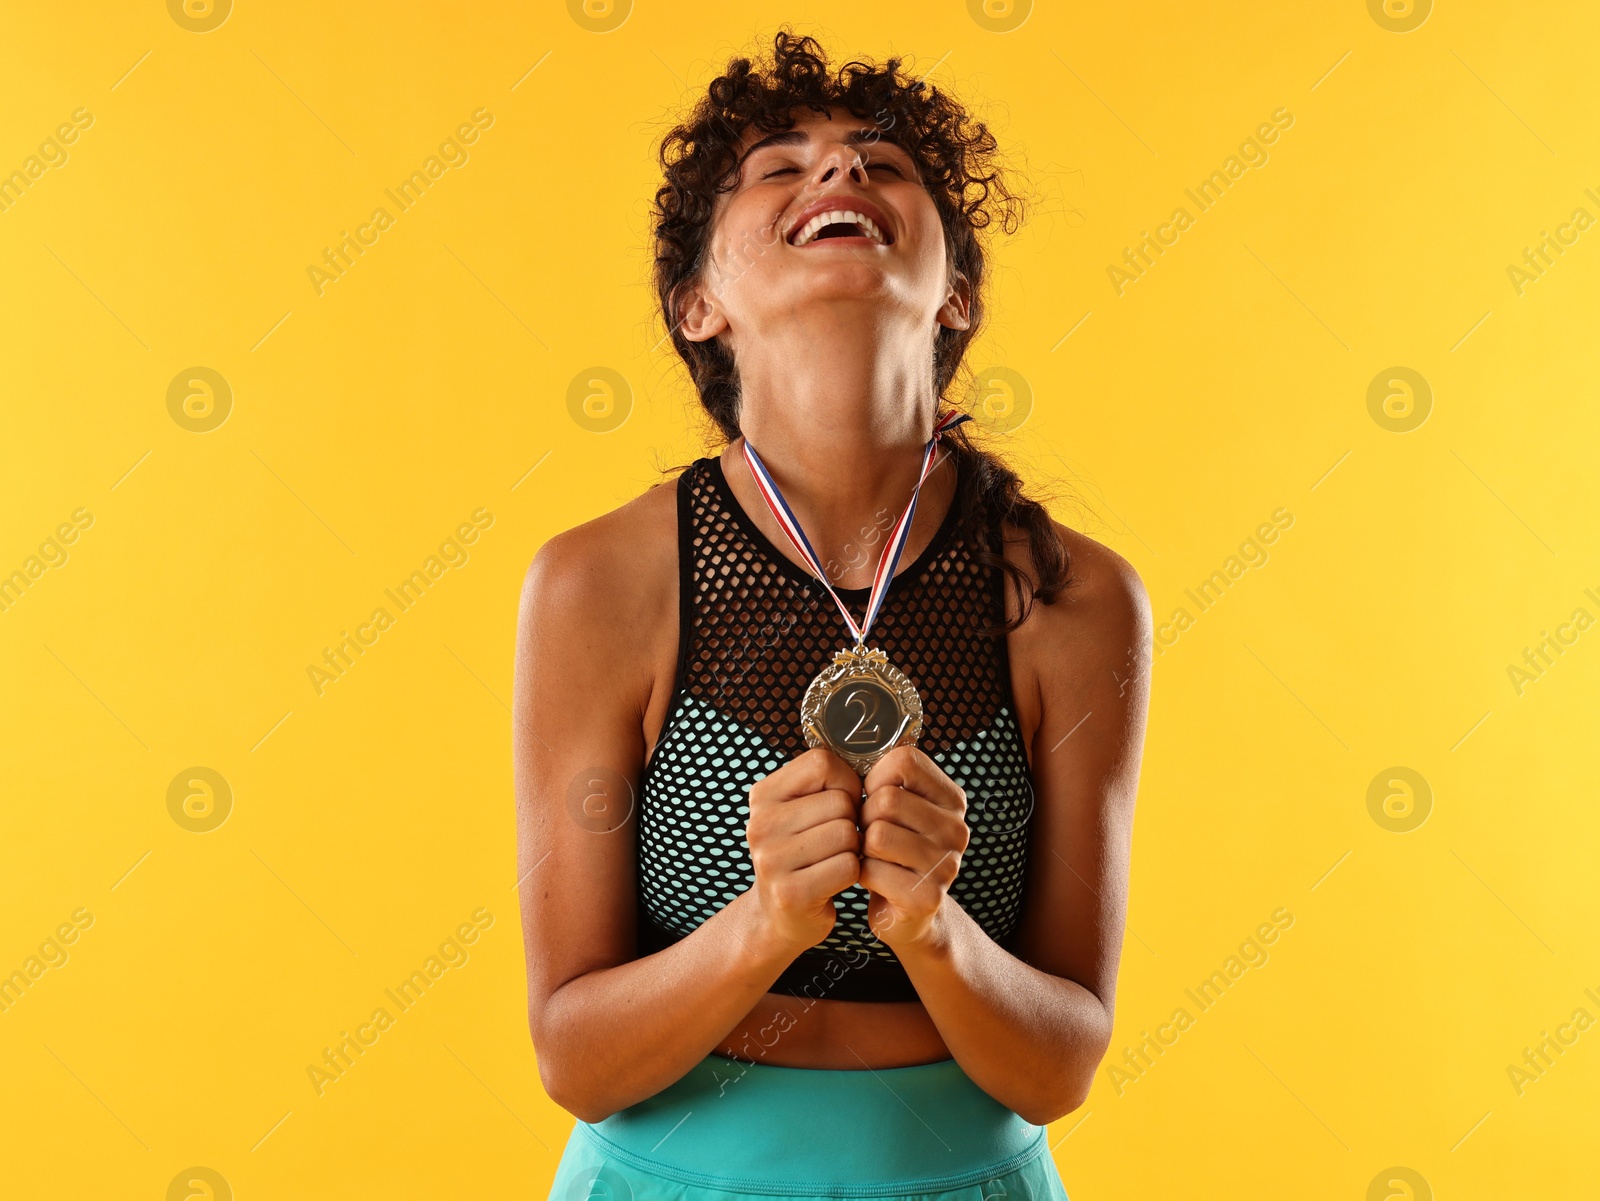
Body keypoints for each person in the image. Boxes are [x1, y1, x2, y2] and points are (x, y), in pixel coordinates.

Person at [514, 28, 1151, 1200]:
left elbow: (1060, 1064)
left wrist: (936, 929)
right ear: (696, 304)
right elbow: (575, 1054)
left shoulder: (1075, 597)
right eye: (778, 167)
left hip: (967, 1178)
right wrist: (763, 924)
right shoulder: (599, 583)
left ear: (955, 290)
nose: (840, 175)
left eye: (882, 163)